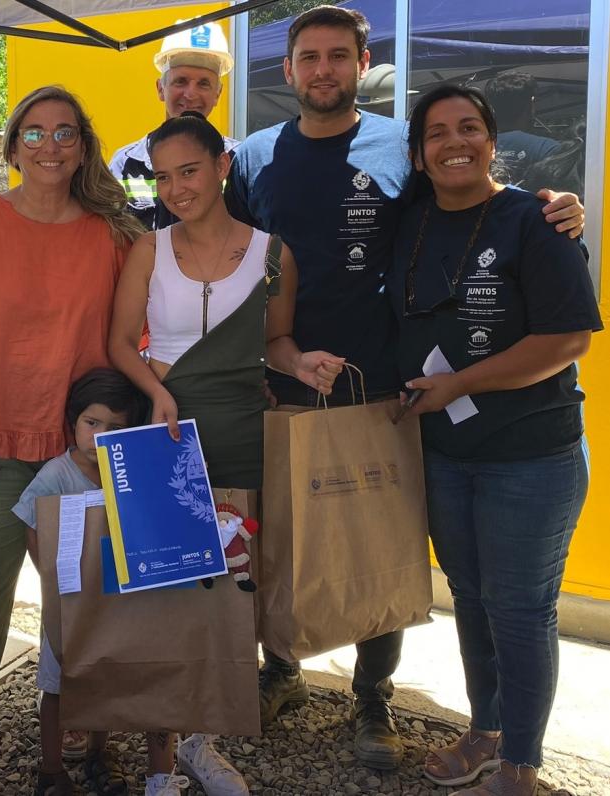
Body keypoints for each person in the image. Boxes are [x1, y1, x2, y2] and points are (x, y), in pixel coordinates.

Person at [226, 4, 586, 770]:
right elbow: (227, 261)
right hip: (282, 381)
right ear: (286, 71)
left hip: (389, 390)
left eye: (336, 55)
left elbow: (474, 211)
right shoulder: (253, 156)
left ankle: (371, 697)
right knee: (284, 538)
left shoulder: (405, 147)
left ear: (362, 64)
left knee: (374, 546)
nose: (321, 69)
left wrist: (554, 208)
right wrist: (249, 365)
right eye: (307, 56)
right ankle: (282, 670)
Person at [109, 111, 341, 796]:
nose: (177, 187)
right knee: (163, 594)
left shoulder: (275, 255)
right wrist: (154, 390)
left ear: (220, 168)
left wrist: (304, 367)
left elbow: (276, 344)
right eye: (164, 176)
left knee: (229, 596)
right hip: (167, 436)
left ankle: (202, 741)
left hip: (242, 435)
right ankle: (160, 757)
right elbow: (121, 342)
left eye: (189, 170)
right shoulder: (146, 250)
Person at [0, 85, 144, 795]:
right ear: (12, 144)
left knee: (89, 591)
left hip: (82, 447)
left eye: (63, 133)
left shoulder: (113, 233)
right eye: (34, 132)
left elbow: (138, 331)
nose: (49, 146)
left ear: (82, 145)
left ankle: (89, 720)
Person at [390, 84, 601, 796]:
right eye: (437, 133)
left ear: (490, 139)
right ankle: (485, 730)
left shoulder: (536, 220)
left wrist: (461, 384)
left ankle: (520, 761)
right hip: (446, 455)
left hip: (530, 455)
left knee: (519, 606)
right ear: (417, 154)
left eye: (469, 128)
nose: (454, 142)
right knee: (471, 598)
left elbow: (568, 338)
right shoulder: (409, 222)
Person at [13, 368, 155, 796]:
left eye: (115, 427)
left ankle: (99, 753)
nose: (100, 435)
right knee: (57, 685)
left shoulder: (126, 472)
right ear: (73, 422)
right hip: (68, 602)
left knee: (104, 678)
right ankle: (51, 769)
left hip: (113, 599)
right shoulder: (56, 474)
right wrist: (51, 581)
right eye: (91, 423)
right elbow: (33, 526)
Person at [110, 22, 237, 230]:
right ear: (161, 89)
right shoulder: (125, 165)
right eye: (181, 81)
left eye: (204, 83)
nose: (191, 94)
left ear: (218, 94)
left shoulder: (238, 161)